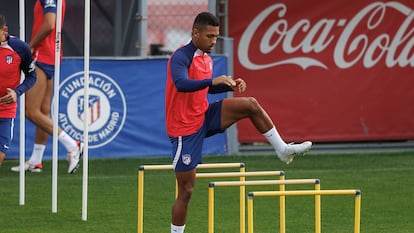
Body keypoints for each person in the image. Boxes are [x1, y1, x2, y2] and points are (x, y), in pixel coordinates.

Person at [165, 12, 312, 233]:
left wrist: (228, 86)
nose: (214, 41)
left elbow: (206, 87)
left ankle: (283, 149)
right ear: (195, 32)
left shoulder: (206, 56)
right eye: (210, 36)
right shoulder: (181, 56)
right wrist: (213, 81)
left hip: (203, 114)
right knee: (186, 190)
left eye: (216, 36)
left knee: (250, 105)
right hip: (183, 128)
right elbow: (181, 83)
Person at [11, 0, 82, 174]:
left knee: (30, 111)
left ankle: (72, 144)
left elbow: (50, 23)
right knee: (42, 111)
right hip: (52, 55)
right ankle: (36, 160)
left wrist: (29, 46)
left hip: (42, 55)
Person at [0, 14, 36, 168]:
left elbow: (31, 76)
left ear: (4, 30)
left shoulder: (20, 48)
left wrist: (17, 92)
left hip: (5, 111)